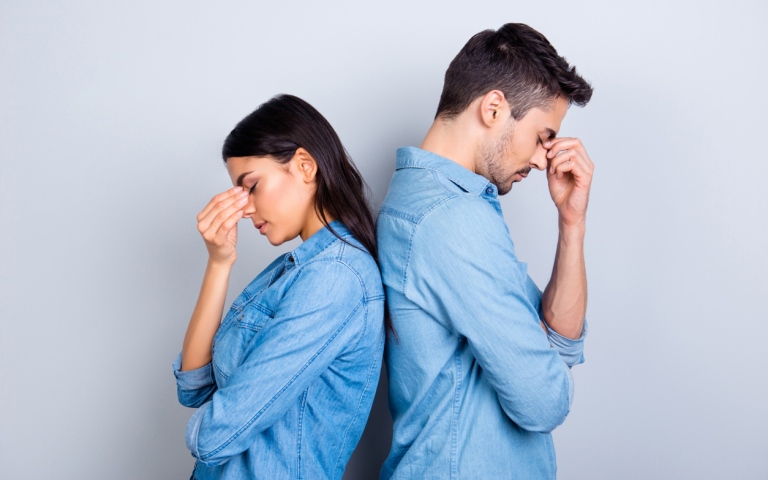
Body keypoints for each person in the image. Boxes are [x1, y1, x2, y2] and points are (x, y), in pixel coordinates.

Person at [376, 23, 594, 478]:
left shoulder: (430, 202)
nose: (543, 159)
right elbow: (544, 401)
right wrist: (543, 359)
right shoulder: (452, 219)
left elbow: (560, 340)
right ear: (493, 108)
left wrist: (571, 223)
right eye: (542, 137)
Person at [172, 94, 385, 479]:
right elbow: (194, 386)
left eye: (251, 186)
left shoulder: (336, 277)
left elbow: (214, 437)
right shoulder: (292, 272)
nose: (245, 208)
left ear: (305, 166)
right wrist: (219, 263)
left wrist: (210, 421)